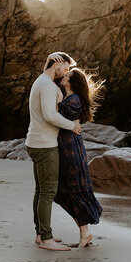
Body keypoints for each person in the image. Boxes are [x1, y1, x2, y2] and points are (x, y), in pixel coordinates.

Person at [25, 52, 83, 251]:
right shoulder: (48, 85)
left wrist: (50, 58)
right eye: (65, 67)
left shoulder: (42, 81)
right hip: (45, 145)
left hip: (36, 141)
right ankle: (46, 239)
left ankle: (40, 233)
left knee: (40, 191)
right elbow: (50, 115)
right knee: (47, 192)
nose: (66, 72)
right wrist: (71, 126)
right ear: (57, 63)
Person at [54, 67, 104, 248]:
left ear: (71, 82)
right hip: (67, 147)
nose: (63, 76)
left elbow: (53, 114)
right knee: (64, 191)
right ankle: (85, 234)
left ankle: (85, 234)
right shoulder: (68, 98)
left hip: (70, 150)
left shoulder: (73, 100)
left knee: (70, 190)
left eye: (67, 75)